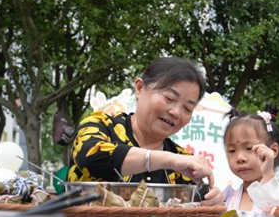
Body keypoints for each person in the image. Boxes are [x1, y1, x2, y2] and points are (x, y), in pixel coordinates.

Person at [67, 57, 223, 205]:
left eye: (187, 108)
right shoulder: (100, 125)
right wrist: (168, 160)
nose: (176, 112)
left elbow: (192, 208)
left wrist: (210, 199)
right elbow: (91, 158)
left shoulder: (183, 162)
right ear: (140, 88)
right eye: (169, 98)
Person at [221, 105, 279, 217]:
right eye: (232, 150)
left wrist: (268, 175)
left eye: (249, 148)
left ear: (273, 150)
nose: (239, 158)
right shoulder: (225, 198)